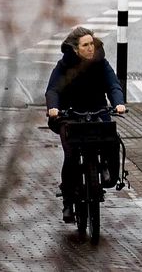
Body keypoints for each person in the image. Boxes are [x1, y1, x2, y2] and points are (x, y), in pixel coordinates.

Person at [44, 27, 127, 223]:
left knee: (111, 138)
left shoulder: (100, 63)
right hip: (69, 114)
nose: (91, 48)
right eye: (85, 45)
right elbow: (53, 90)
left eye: (92, 44)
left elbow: (113, 84)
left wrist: (118, 103)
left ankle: (106, 167)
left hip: (97, 110)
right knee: (71, 154)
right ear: (75, 49)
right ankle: (67, 201)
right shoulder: (64, 66)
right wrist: (54, 108)